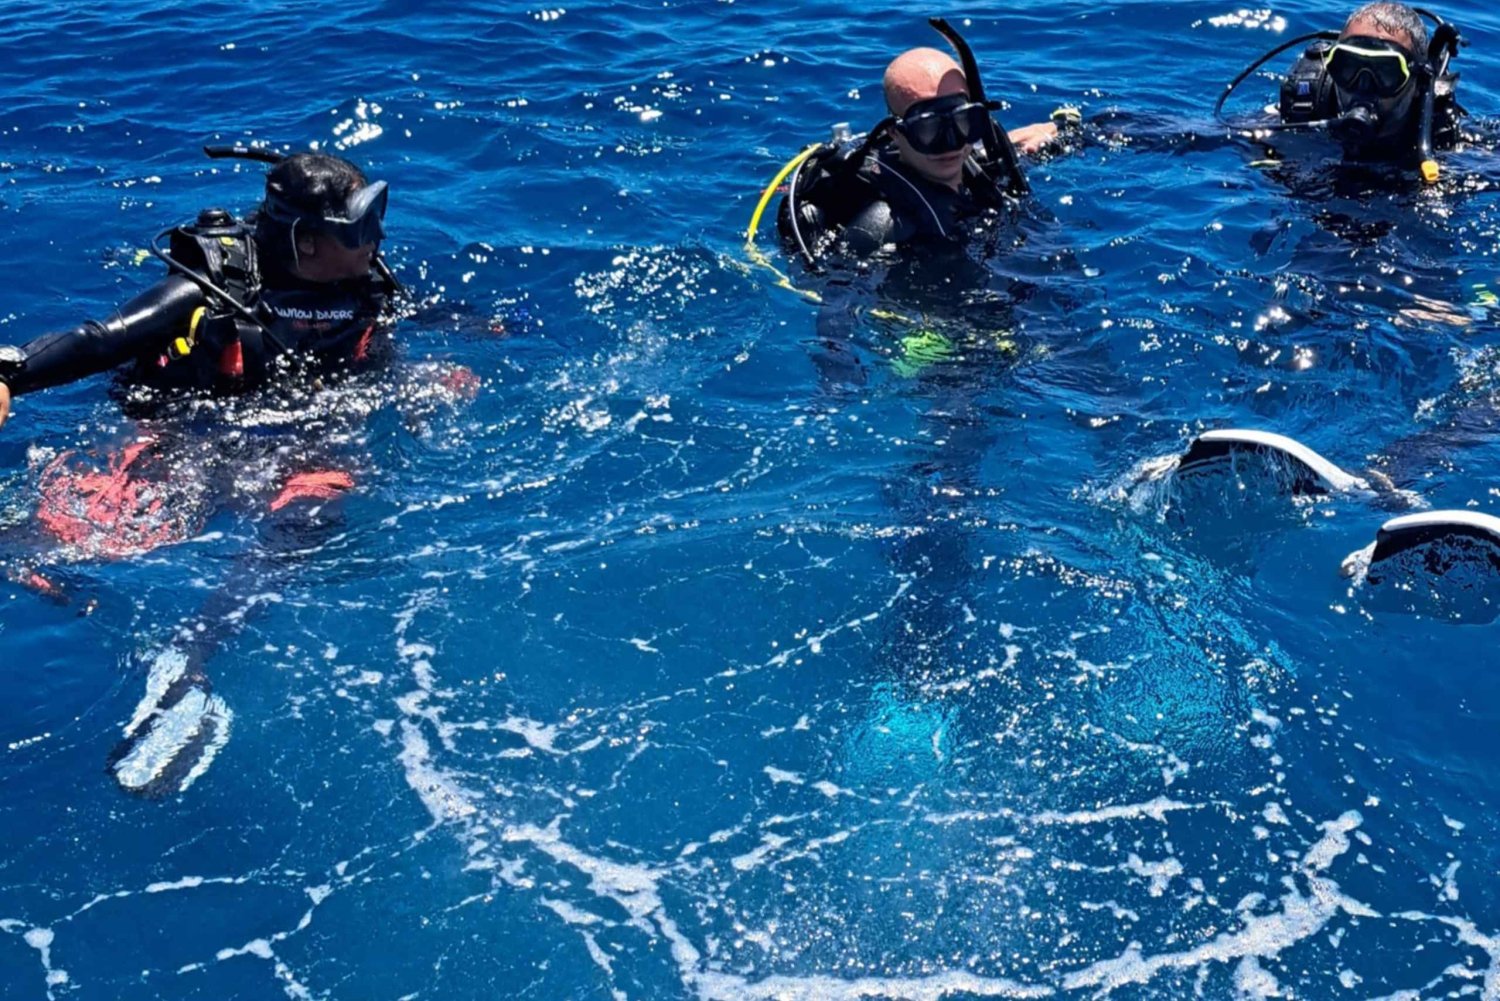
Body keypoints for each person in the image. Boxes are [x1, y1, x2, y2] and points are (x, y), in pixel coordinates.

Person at [0, 148, 398, 430]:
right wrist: (7, 377)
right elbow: (102, 340)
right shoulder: (216, 288)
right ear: (308, 241)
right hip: (177, 425)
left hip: (300, 434)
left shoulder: (368, 285)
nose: (376, 236)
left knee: (310, 518)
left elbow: (426, 319)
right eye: (361, 227)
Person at [760, 18, 1069, 264]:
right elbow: (837, 316)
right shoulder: (881, 225)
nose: (950, 144)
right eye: (929, 130)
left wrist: (1062, 129)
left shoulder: (975, 159)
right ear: (894, 132)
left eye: (962, 122)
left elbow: (1003, 146)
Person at [1217, 3, 1466, 181]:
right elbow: (1212, 135)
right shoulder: (1305, 112)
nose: (1362, 87)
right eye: (1349, 68)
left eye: (1386, 73)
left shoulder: (1444, 141)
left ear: (1419, 82)